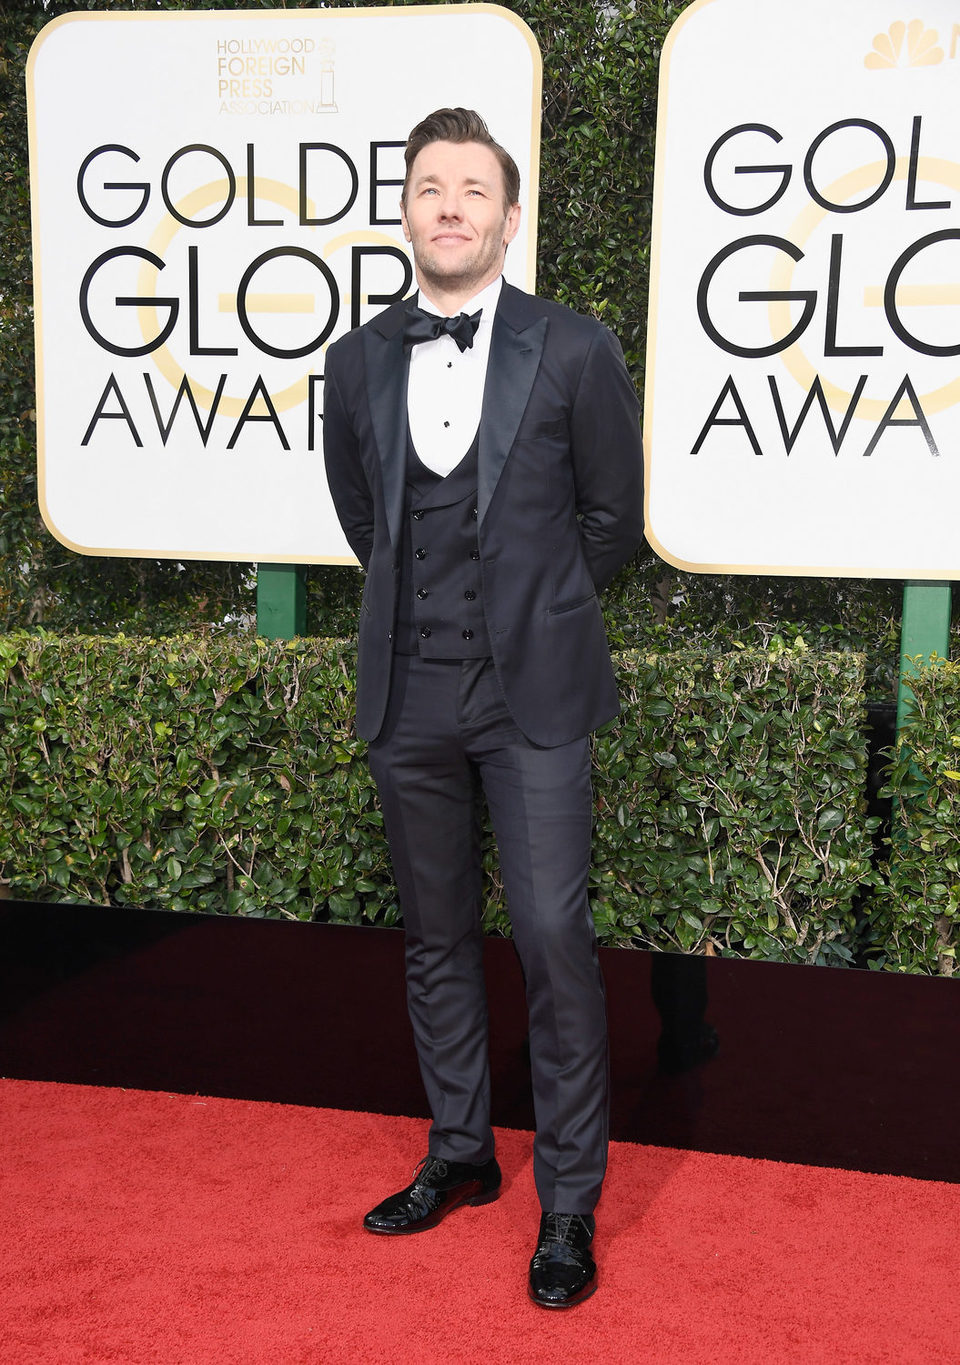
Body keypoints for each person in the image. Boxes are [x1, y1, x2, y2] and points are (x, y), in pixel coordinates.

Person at [322, 107, 643, 1309]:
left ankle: (568, 1203)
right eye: (428, 188)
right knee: (435, 937)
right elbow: (368, 517)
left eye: (472, 190)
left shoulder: (572, 348)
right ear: (406, 212)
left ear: (510, 219)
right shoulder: (357, 359)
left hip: (537, 699)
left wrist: (534, 611)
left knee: (554, 941)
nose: (449, 206)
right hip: (408, 694)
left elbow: (611, 518)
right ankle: (460, 1153)